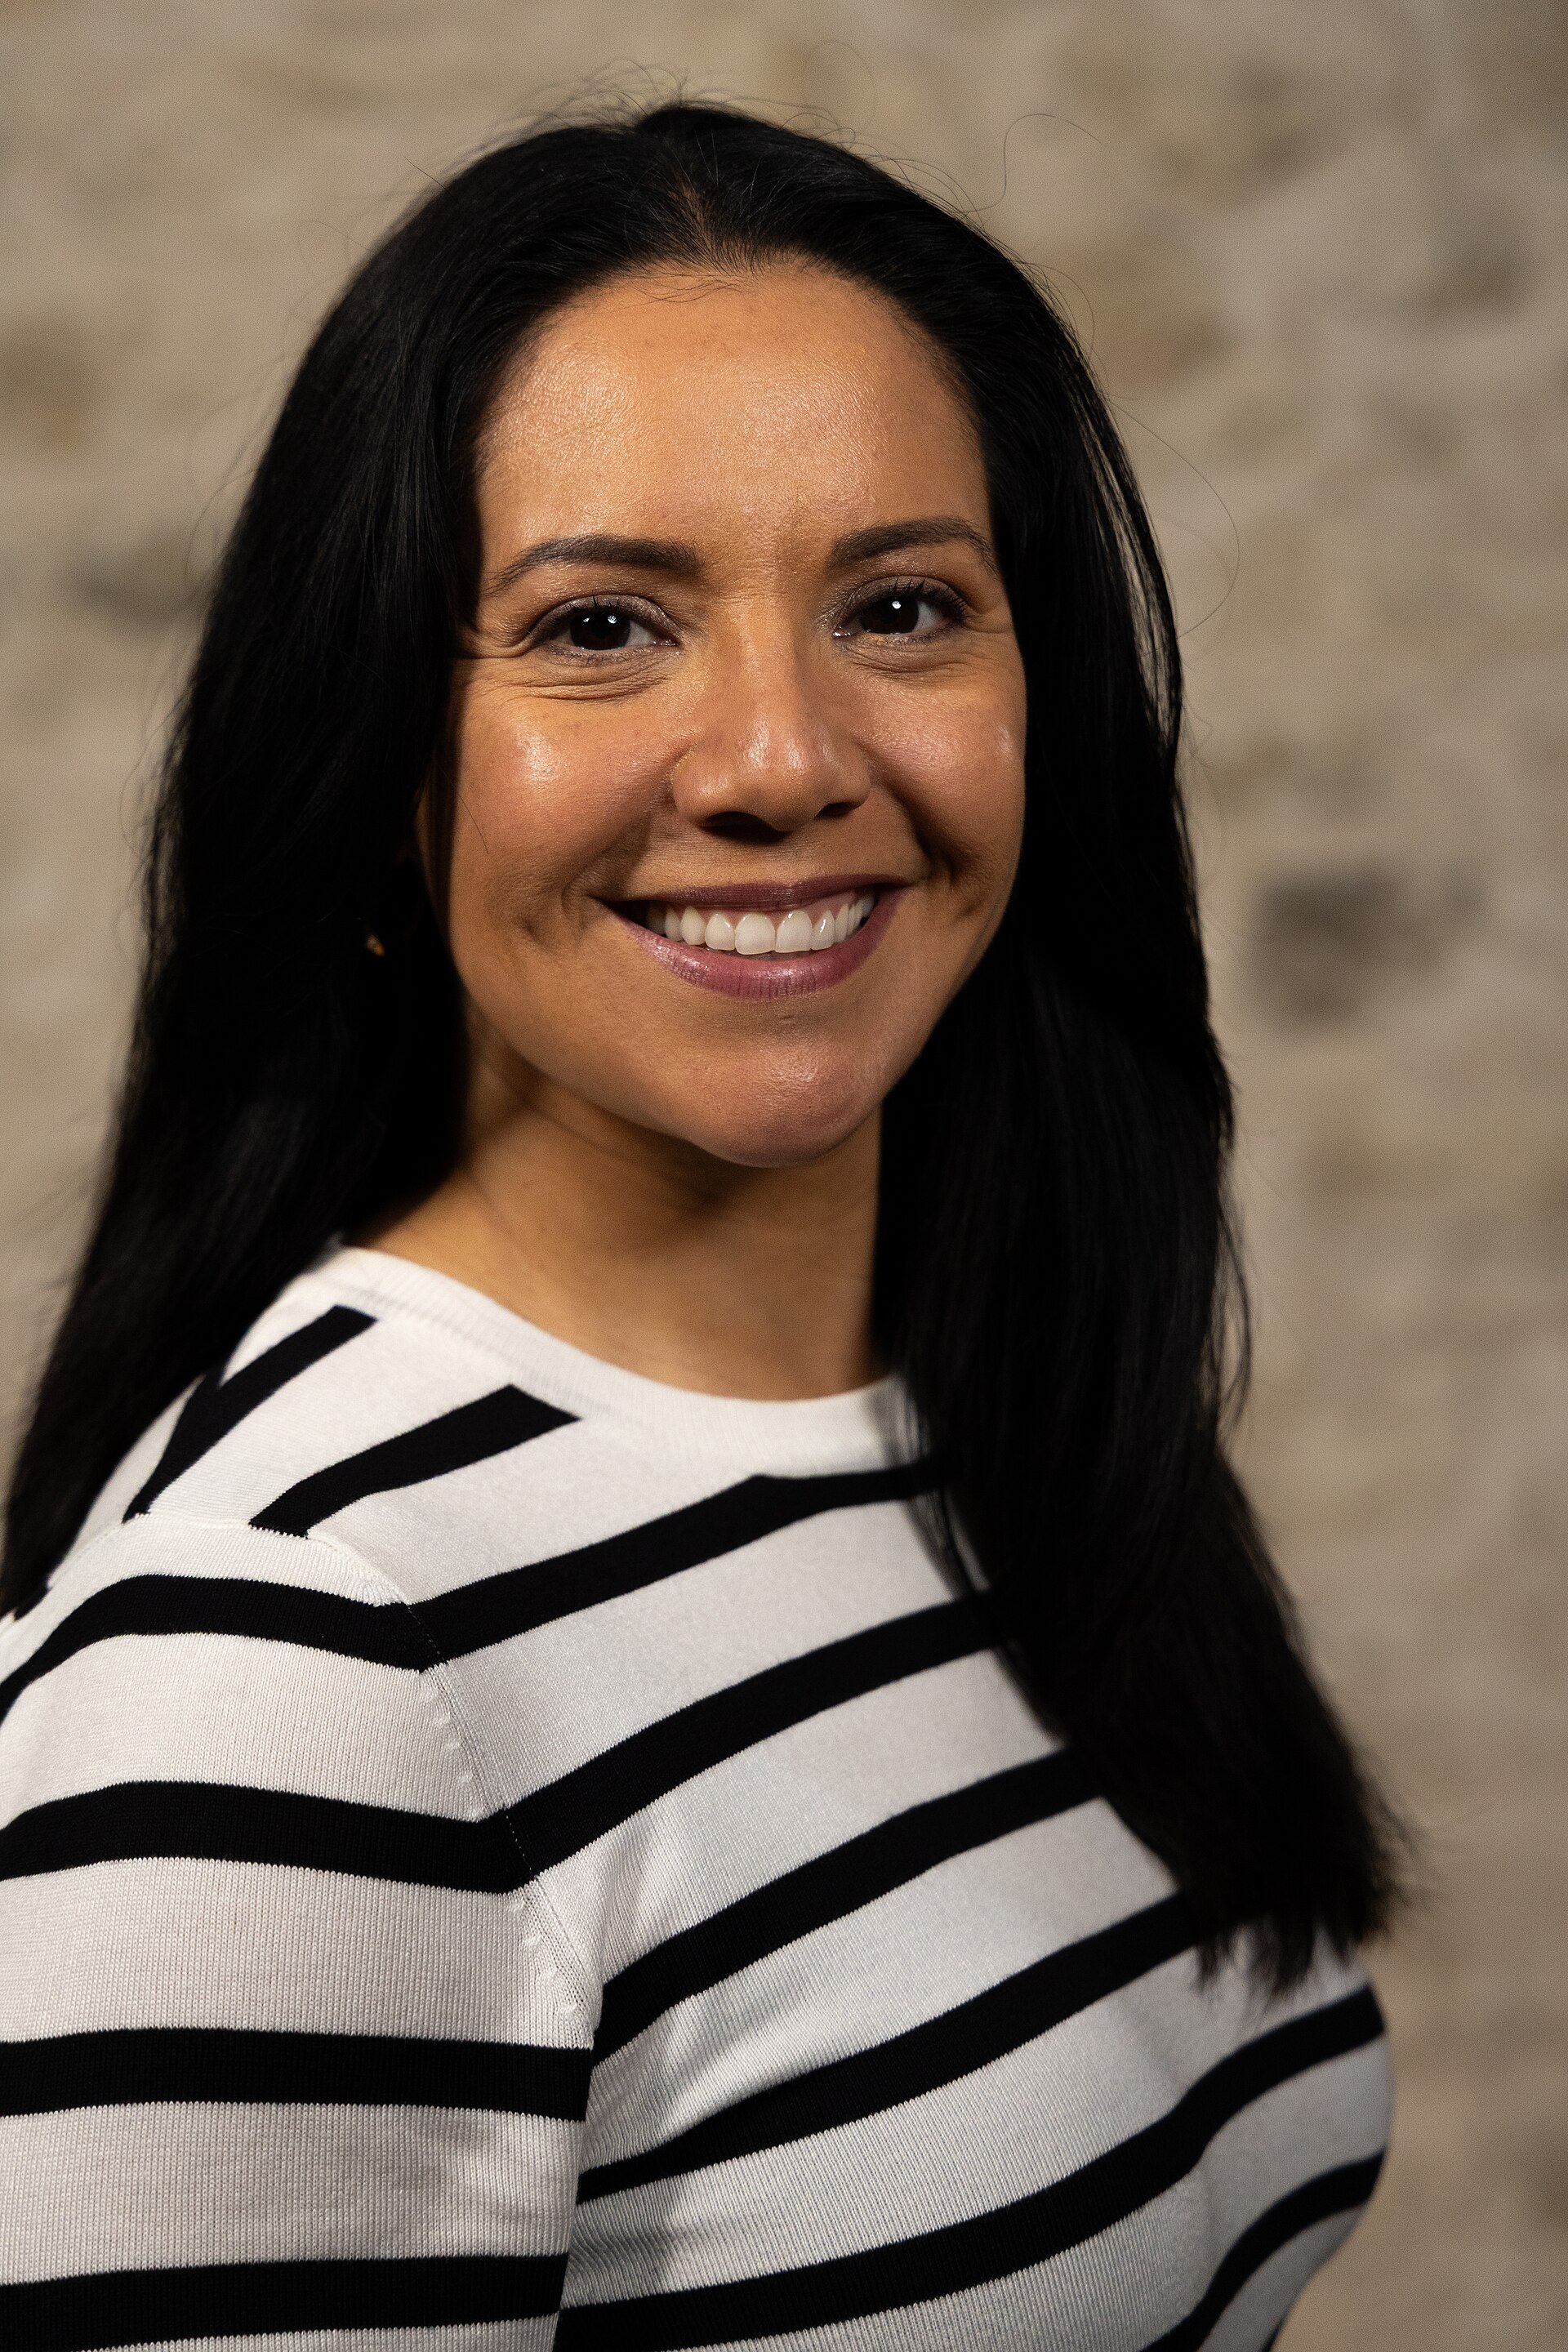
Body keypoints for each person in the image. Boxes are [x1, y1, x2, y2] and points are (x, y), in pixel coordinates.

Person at [0, 100, 1403, 2350]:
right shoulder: (296, 1676)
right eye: (605, 624)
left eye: (906, 605)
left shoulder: (1002, 1413)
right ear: (378, 765)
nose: (777, 753)